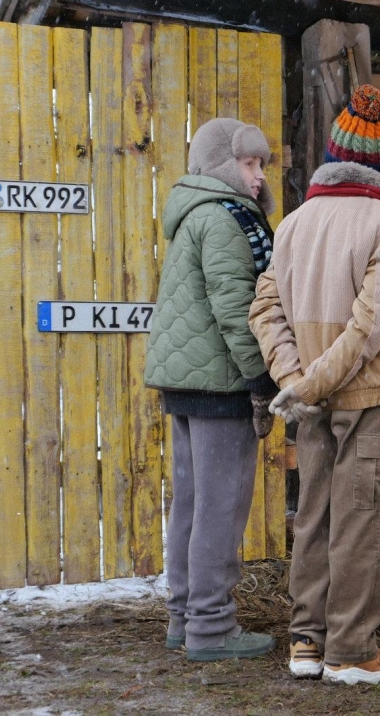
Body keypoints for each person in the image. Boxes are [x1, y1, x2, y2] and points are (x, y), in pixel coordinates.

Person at [249, 83, 380, 685]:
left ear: (332, 154)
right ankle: (351, 651)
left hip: (311, 398)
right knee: (364, 520)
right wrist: (310, 384)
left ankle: (308, 642)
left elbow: (265, 309)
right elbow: (372, 326)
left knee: (315, 516)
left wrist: (295, 380)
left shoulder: (294, 224)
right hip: (364, 393)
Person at [144, 117, 280, 662]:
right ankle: (212, 628)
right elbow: (236, 309)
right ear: (222, 165)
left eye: (261, 164)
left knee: (193, 504)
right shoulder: (225, 219)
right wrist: (261, 378)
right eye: (248, 163)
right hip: (220, 383)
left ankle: (184, 618)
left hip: (187, 381)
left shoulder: (193, 213)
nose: (258, 175)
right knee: (220, 508)